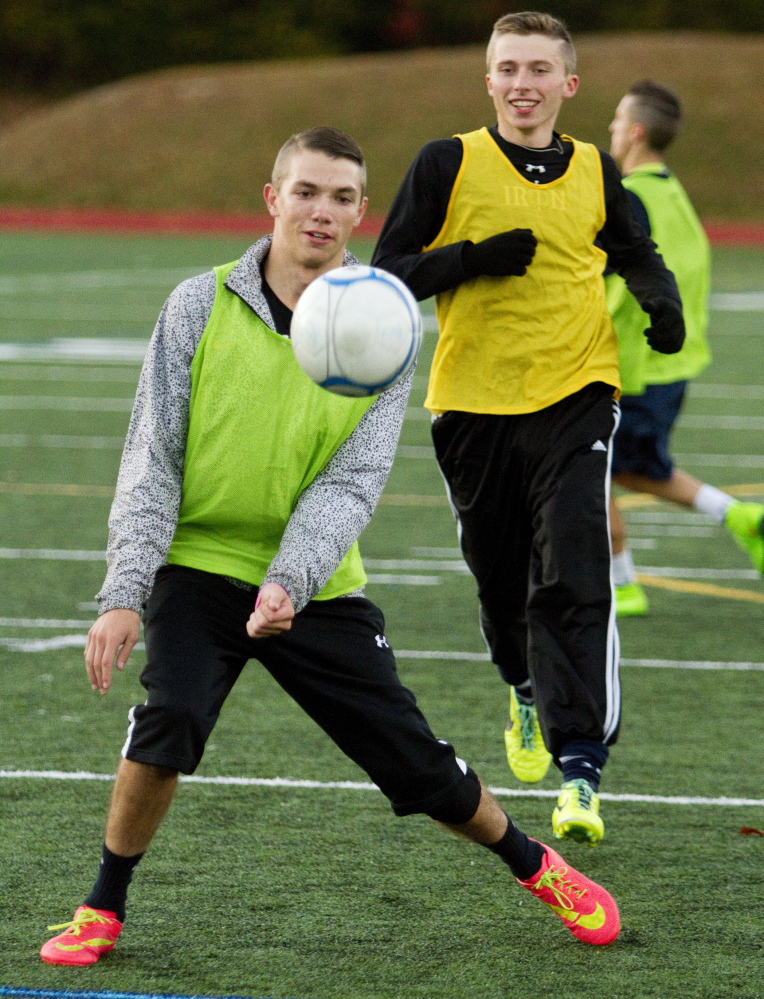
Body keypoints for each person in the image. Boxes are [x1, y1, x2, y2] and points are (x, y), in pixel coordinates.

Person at [39, 127, 621, 966]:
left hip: (314, 582)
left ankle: (537, 864)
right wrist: (126, 591)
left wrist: (288, 580)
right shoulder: (198, 303)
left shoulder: (384, 322)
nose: (322, 211)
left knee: (416, 762)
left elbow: (353, 479)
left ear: (360, 212)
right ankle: (102, 904)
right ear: (272, 199)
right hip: (198, 562)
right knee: (168, 714)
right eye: (306, 191)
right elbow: (152, 456)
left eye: (342, 197)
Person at [372, 12, 685, 845]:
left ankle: (581, 765)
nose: (523, 83)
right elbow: (386, 275)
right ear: (489, 80)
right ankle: (520, 684)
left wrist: (662, 300)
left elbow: (636, 249)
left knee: (573, 569)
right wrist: (469, 257)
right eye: (508, 67)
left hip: (578, 391)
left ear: (567, 85)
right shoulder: (447, 161)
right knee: (501, 577)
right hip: (472, 405)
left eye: (539, 69)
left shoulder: (596, 168)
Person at [605, 80, 764, 617]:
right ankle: (738, 516)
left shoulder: (631, 197)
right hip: (671, 363)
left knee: (586, 468)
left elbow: (617, 280)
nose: (610, 129)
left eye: (617, 119)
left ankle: (622, 583)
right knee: (634, 469)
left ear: (636, 131)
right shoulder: (671, 191)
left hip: (634, 365)